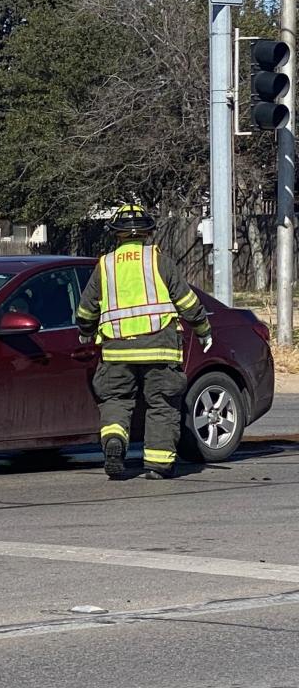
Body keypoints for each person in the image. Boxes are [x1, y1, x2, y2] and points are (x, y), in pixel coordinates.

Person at [75, 204, 212, 481]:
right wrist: (202, 329)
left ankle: (115, 440)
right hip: (160, 347)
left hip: (116, 350)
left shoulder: (105, 265)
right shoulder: (159, 261)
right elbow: (187, 301)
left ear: (116, 234)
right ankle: (158, 465)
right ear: (148, 232)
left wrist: (85, 331)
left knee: (116, 399)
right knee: (161, 404)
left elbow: (87, 309)